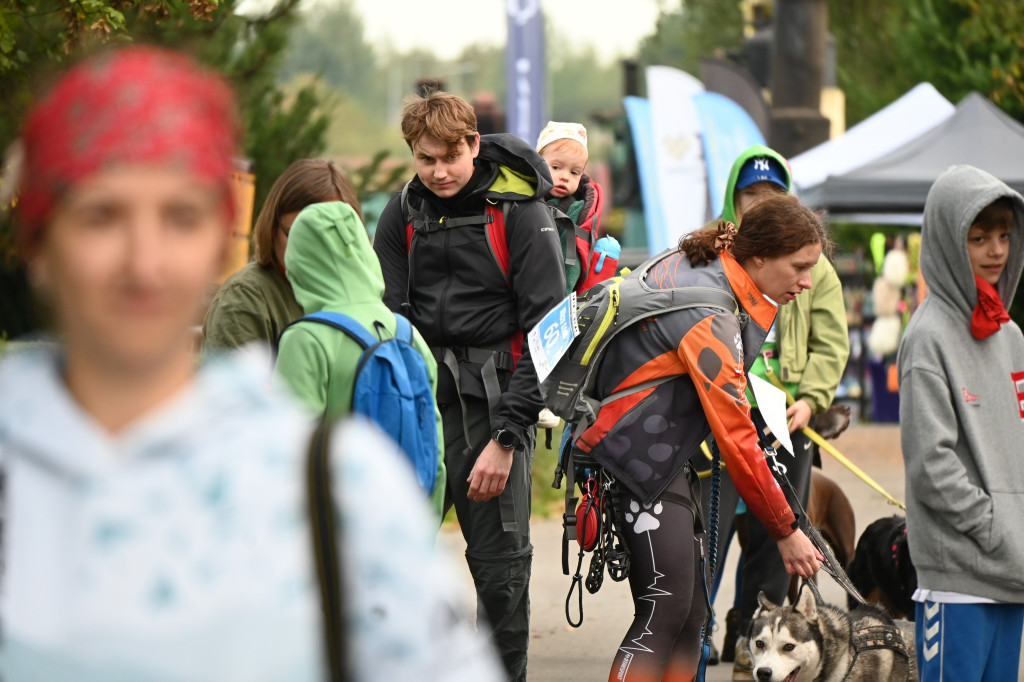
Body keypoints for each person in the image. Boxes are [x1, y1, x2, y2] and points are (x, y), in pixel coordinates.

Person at [0, 46, 503, 681]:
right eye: (101, 216)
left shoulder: (340, 483)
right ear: (37, 242)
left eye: (180, 217)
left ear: (218, 237)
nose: (144, 263)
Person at [573, 194, 826, 682]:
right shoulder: (712, 313)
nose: (807, 281)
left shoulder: (706, 267)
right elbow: (736, 437)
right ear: (759, 257)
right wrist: (786, 530)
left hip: (656, 459)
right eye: (799, 266)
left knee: (691, 617)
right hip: (637, 464)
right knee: (665, 611)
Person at [373, 89, 565, 681]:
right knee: (394, 569)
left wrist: (507, 438)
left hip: (498, 401)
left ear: (474, 145)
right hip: (422, 404)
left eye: (449, 157)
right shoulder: (404, 211)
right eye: (425, 158)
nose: (438, 171)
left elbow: (550, 333)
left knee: (500, 577)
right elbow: (385, 316)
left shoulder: (521, 212)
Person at [706, 145, 849, 678]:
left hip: (787, 421)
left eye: (772, 194)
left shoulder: (816, 268)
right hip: (718, 418)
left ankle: (753, 642)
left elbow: (832, 342)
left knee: (775, 534)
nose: (760, 202)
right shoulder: (712, 251)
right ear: (734, 199)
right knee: (709, 532)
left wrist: (811, 399)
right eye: (750, 195)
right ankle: (695, 634)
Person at [898, 164, 1024, 682]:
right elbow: (931, 465)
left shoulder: (1011, 336)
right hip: (958, 582)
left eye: (1003, 235)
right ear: (949, 241)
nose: (996, 250)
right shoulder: (927, 338)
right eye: (978, 238)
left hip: (1012, 573)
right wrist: (998, 530)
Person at [274, 200, 446, 517]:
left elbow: (289, 456)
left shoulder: (306, 339)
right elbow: (433, 448)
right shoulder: (407, 334)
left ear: (299, 261)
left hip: (333, 538)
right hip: (400, 523)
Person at [202, 158, 361, 353]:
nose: (311, 248)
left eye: (327, 235)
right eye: (297, 234)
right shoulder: (244, 299)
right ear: (272, 227)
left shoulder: (357, 294)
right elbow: (233, 382)